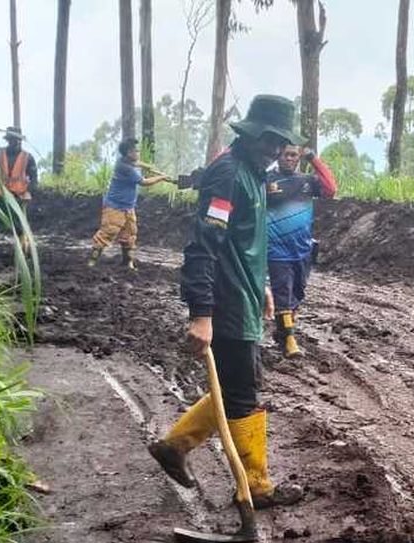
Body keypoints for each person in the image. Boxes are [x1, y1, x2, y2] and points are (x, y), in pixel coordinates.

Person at [147, 95, 304, 510]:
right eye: (269, 140)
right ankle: (256, 486)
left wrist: (262, 285)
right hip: (227, 305)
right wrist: (201, 313)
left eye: (281, 142)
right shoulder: (229, 175)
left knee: (236, 387)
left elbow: (245, 241)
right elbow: (203, 247)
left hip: (245, 298)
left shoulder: (254, 175)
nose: (275, 149)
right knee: (243, 393)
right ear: (252, 134)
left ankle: (174, 446)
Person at [265, 143, 337, 358]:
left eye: (293, 155)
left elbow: (330, 189)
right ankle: (289, 340)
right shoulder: (266, 180)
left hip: (303, 249)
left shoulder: (307, 181)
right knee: (283, 294)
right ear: (278, 156)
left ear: (298, 158)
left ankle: (283, 331)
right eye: (285, 154)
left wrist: (313, 159)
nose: (289, 158)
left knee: (297, 293)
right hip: (276, 250)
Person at [87, 138, 173, 271]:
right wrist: (161, 178)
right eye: (135, 151)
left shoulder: (124, 161)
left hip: (128, 207)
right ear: (128, 153)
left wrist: (145, 165)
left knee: (130, 235)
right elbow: (144, 182)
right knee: (107, 233)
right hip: (115, 207)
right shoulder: (125, 168)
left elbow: (136, 163)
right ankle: (92, 262)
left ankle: (128, 263)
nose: (138, 153)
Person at [0, 127, 38, 257]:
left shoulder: (28, 157)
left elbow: (34, 178)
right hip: (0, 195)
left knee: (20, 225)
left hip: (18, 197)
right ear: (7, 140)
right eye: (11, 139)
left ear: (20, 140)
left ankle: (25, 252)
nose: (13, 142)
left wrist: (29, 192)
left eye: (16, 139)